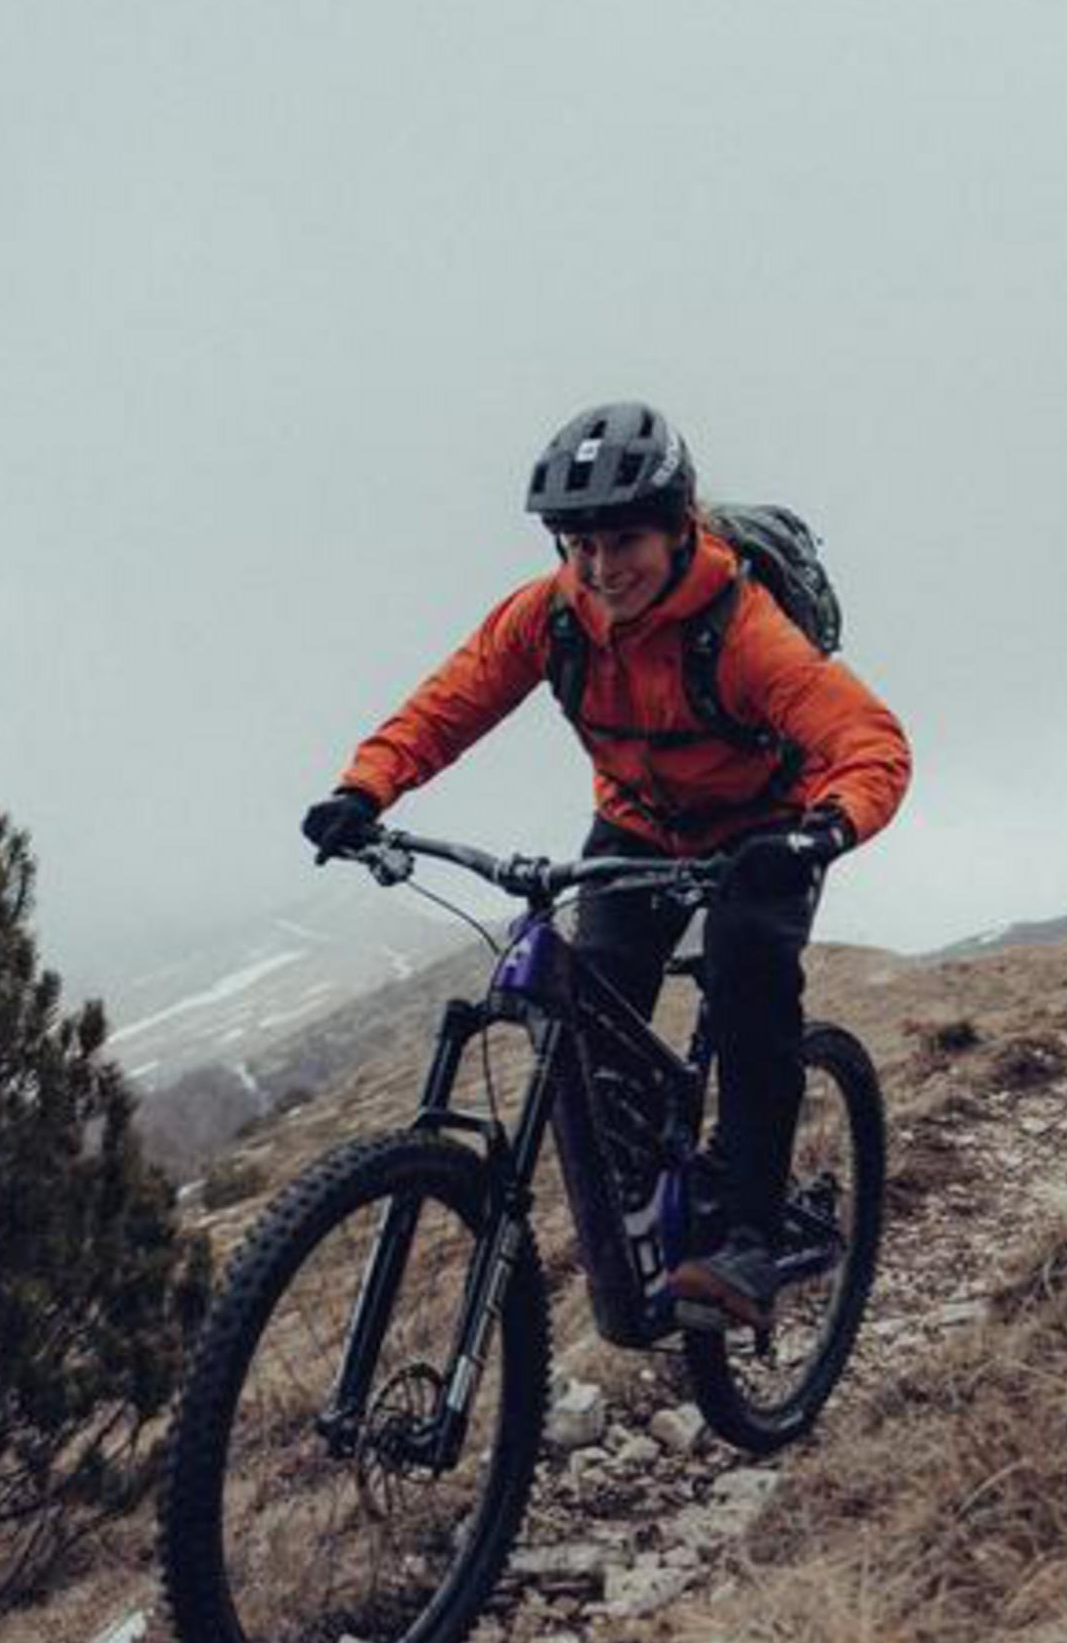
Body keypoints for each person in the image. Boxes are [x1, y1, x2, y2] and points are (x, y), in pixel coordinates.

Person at [301, 400, 912, 1330]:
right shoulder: (550, 618)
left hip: (761, 831)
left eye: (622, 539)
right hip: (635, 827)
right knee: (598, 1017)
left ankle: (748, 1230)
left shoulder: (743, 629)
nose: (599, 566)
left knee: (751, 987)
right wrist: (364, 790)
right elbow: (450, 701)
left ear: (678, 528)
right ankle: (650, 1199)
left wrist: (823, 832)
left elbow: (868, 741)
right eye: (578, 543)